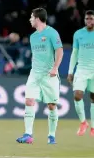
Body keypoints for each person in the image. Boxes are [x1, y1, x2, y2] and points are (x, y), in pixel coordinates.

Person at [16, 8, 63, 145]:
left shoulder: (52, 33)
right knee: (29, 101)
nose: (30, 19)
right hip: (35, 74)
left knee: (51, 105)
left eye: (31, 17)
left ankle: (51, 136)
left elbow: (60, 51)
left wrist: (55, 68)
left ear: (37, 18)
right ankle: (28, 134)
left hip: (49, 75)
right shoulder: (33, 37)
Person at [68, 10, 94, 137]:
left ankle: (93, 128)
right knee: (77, 95)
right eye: (87, 19)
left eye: (91, 19)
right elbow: (74, 53)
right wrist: (70, 71)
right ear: (84, 20)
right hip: (81, 70)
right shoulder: (78, 34)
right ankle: (83, 123)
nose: (89, 21)